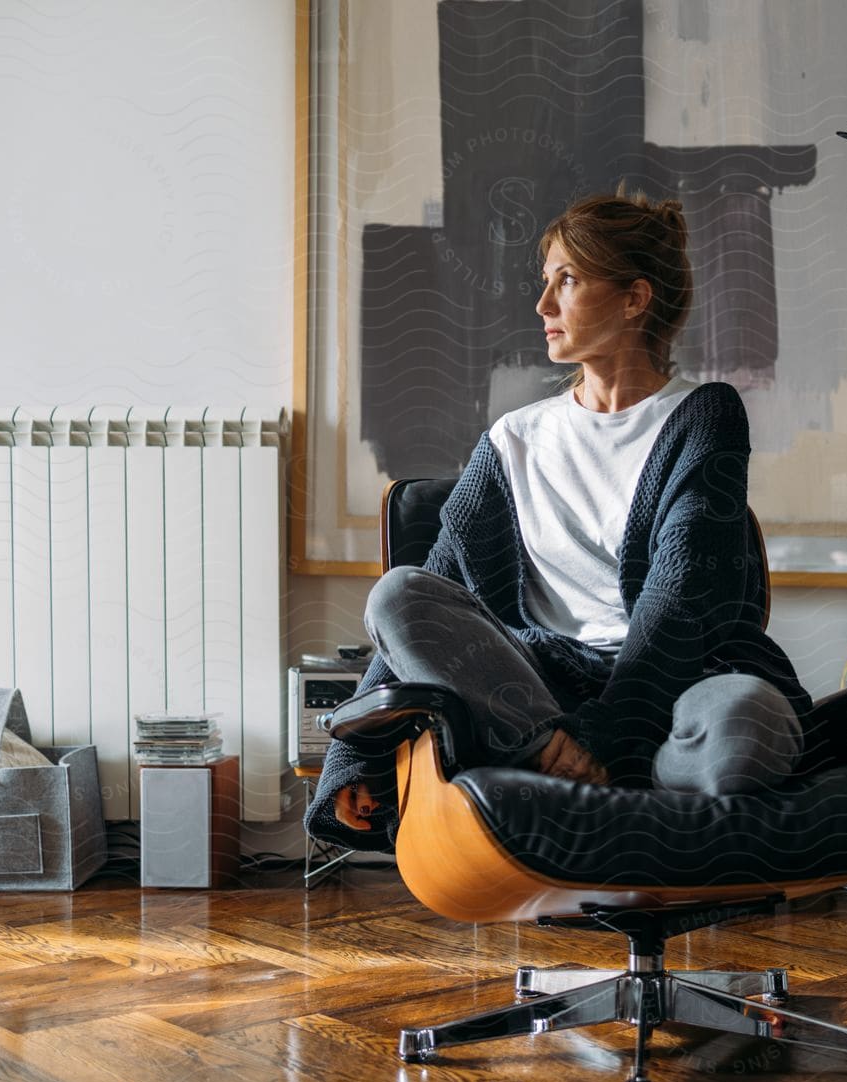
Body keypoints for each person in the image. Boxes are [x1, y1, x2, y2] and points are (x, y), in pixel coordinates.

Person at [307, 189, 812, 843]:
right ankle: (582, 773)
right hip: (534, 695)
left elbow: (682, 595)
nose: (543, 306)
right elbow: (430, 596)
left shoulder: (703, 415)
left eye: (567, 281)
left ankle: (592, 780)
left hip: (675, 686)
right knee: (400, 594)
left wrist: (603, 736)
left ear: (635, 297)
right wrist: (357, 757)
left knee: (749, 719)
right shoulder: (512, 440)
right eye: (545, 283)